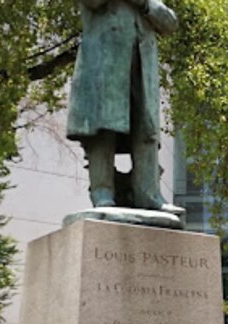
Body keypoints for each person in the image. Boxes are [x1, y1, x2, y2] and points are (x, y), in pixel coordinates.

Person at [66, 0, 184, 215]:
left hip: (142, 60)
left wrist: (146, 3)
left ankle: (149, 196)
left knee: (146, 129)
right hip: (104, 57)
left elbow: (169, 23)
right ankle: (103, 194)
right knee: (104, 127)